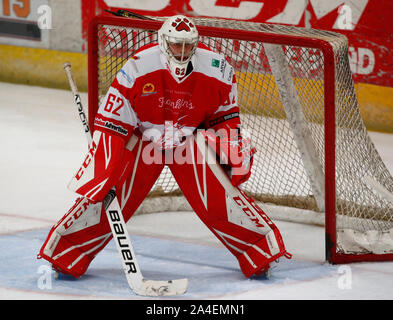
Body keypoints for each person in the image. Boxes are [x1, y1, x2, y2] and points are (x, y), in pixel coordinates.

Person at [38, 15, 288, 280]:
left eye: (187, 45)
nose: (182, 51)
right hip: (145, 139)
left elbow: (225, 117)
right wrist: (105, 168)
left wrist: (231, 149)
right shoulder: (137, 67)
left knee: (220, 198)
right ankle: (65, 253)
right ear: (162, 42)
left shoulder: (218, 68)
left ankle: (260, 252)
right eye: (176, 44)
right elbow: (112, 122)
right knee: (110, 194)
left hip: (188, 141)